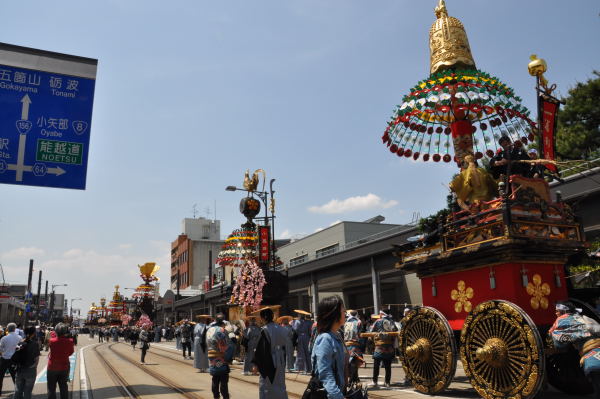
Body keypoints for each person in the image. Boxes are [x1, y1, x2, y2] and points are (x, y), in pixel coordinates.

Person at [549, 302, 600, 398]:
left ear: (564, 311)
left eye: (557, 311)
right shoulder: (584, 317)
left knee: (597, 385)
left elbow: (559, 343)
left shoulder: (562, 320)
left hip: (591, 355)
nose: (556, 313)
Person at [312, 296, 347, 399]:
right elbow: (325, 373)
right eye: (343, 311)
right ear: (334, 314)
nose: (345, 314)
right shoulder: (325, 338)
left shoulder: (337, 335)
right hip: (329, 395)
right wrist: (337, 396)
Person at [252, 308, 288, 399]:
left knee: (266, 386)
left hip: (269, 360)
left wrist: (256, 364)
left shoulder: (265, 330)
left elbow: (262, 349)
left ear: (263, 318)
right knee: (280, 384)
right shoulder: (281, 328)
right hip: (280, 359)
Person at [207, 313, 234, 399]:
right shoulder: (222, 330)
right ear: (223, 321)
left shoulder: (209, 330)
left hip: (211, 356)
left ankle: (216, 396)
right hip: (221, 357)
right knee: (223, 378)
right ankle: (225, 396)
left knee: (215, 376)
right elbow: (227, 346)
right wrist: (229, 357)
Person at [370, 310, 398, 388]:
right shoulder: (391, 321)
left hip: (379, 346)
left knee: (376, 365)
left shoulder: (377, 321)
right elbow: (395, 331)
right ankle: (387, 382)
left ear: (382, 314)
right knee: (387, 366)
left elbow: (371, 332)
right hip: (389, 346)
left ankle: (375, 381)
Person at [47, 323, 74, 399]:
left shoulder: (52, 341)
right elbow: (71, 352)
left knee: (51, 389)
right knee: (63, 387)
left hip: (52, 367)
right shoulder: (70, 341)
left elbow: (51, 339)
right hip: (64, 367)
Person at [12, 326, 40, 399]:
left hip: (19, 369)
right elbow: (36, 359)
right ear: (33, 333)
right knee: (27, 392)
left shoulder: (20, 343)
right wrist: (34, 367)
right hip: (30, 369)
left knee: (18, 391)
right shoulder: (35, 344)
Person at [0, 323, 21, 395]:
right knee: (15, 376)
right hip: (14, 359)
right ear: (15, 329)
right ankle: (18, 391)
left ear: (7, 329)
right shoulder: (19, 337)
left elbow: (0, 349)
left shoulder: (4, 338)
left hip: (4, 358)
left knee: (1, 376)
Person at [344, 310, 364, 383]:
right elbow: (359, 334)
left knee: (349, 362)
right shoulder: (358, 322)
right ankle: (352, 380)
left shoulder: (345, 322)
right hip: (355, 344)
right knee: (355, 361)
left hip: (346, 344)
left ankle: (355, 378)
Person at [291, 310, 313, 374]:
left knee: (301, 353)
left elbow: (295, 329)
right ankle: (308, 368)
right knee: (307, 353)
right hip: (307, 338)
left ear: (300, 315)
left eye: (299, 314)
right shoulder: (309, 322)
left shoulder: (296, 322)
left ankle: (302, 368)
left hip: (300, 337)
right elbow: (310, 331)